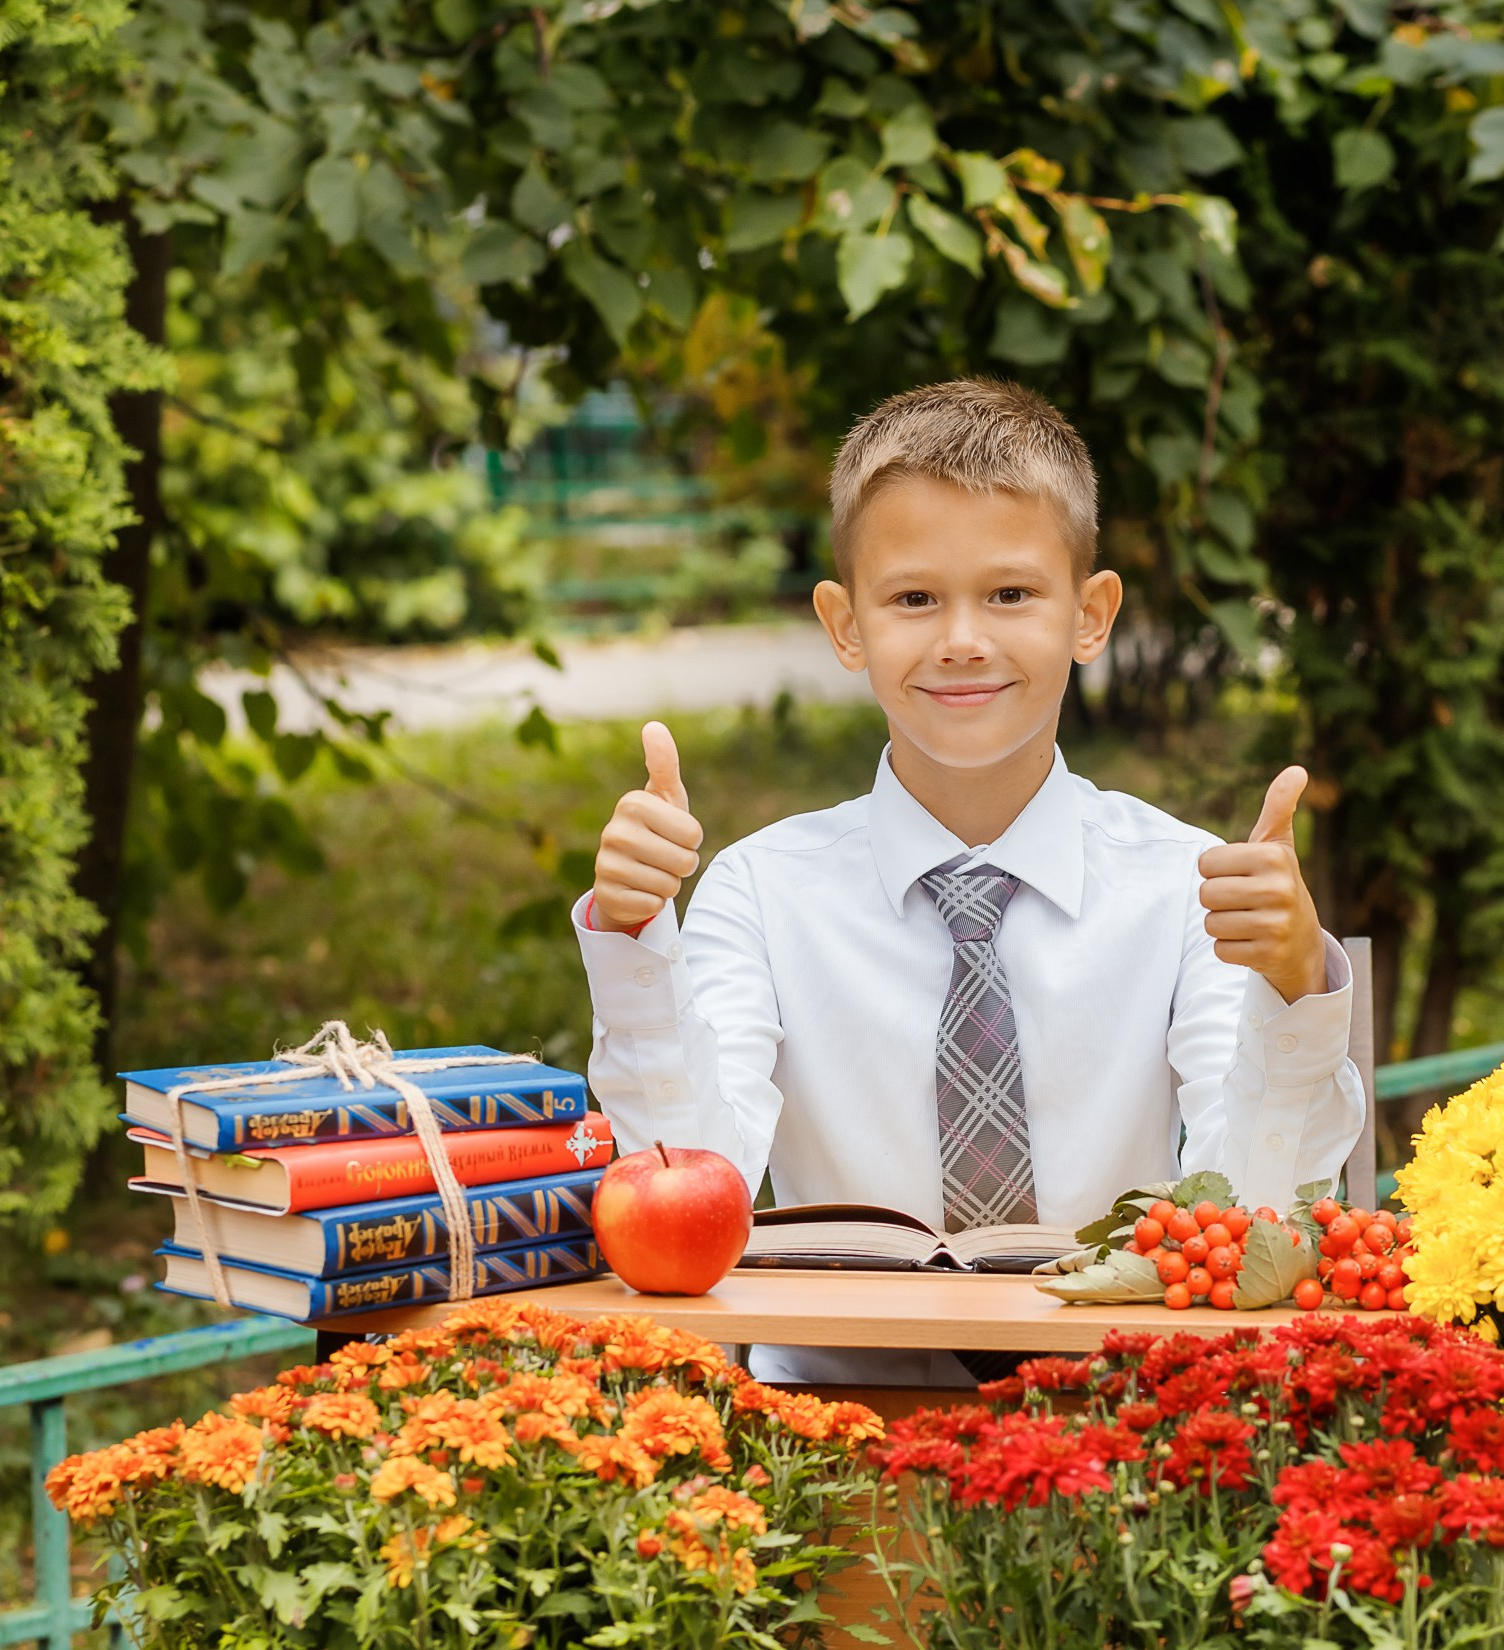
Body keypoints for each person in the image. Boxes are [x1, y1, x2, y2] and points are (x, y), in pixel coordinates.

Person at [574, 379, 1364, 1384]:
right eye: (912, 599)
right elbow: (685, 1203)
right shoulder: (759, 893)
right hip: (827, 1431)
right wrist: (635, 939)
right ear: (845, 623)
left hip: (1124, 1435)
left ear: (1091, 614)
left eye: (1009, 594)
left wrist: (1294, 987)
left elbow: (1257, 1218)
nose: (960, 639)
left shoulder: (1183, 888)